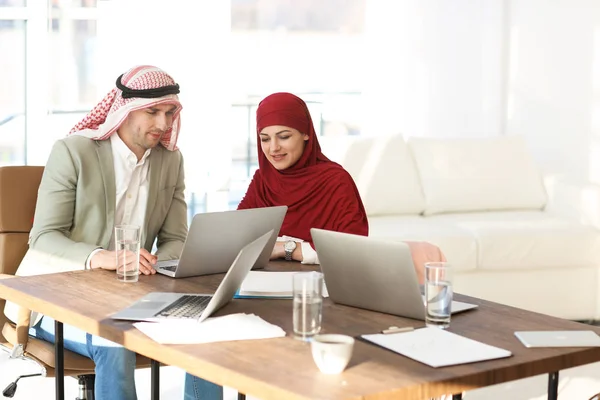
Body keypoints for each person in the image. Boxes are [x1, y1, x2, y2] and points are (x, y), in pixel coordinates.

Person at [182, 92, 445, 399]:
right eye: (265, 139)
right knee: (200, 332)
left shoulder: (335, 181)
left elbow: (351, 249)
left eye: (284, 136)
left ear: (306, 133)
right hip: (262, 292)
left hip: (319, 300)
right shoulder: (263, 180)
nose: (273, 148)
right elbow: (240, 237)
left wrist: (286, 248)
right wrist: (292, 246)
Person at [5, 65, 188, 400]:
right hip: (54, 300)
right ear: (125, 109)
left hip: (132, 300)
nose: (163, 124)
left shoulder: (170, 161)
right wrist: (103, 257)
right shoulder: (74, 152)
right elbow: (44, 237)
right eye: (152, 112)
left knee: (208, 330)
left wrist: (157, 262)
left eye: (169, 112)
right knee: (114, 339)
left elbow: (176, 238)